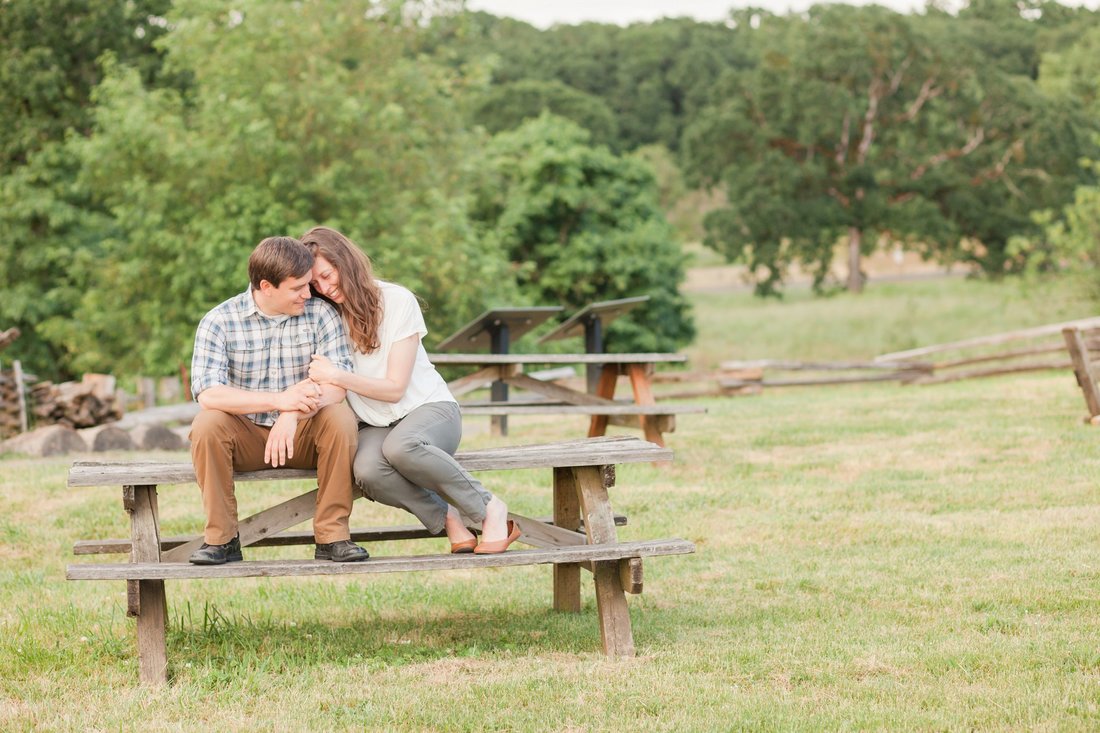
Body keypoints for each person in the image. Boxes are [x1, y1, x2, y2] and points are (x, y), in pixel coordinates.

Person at [300, 226, 522, 554]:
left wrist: (337, 376)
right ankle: (448, 518)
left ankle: (490, 509)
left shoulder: (396, 300)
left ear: (345, 262)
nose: (326, 288)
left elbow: (394, 389)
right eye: (315, 284)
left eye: (328, 275)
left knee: (402, 446)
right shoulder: (326, 316)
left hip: (430, 410)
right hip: (376, 424)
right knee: (367, 470)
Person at [188, 236, 369, 565]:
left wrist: (291, 411)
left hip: (305, 436)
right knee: (207, 423)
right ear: (266, 286)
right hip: (247, 438)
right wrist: (278, 399)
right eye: (298, 287)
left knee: (339, 418)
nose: (308, 292)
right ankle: (222, 539)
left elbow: (336, 387)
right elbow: (209, 394)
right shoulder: (219, 321)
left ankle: (332, 536)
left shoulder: (321, 315)